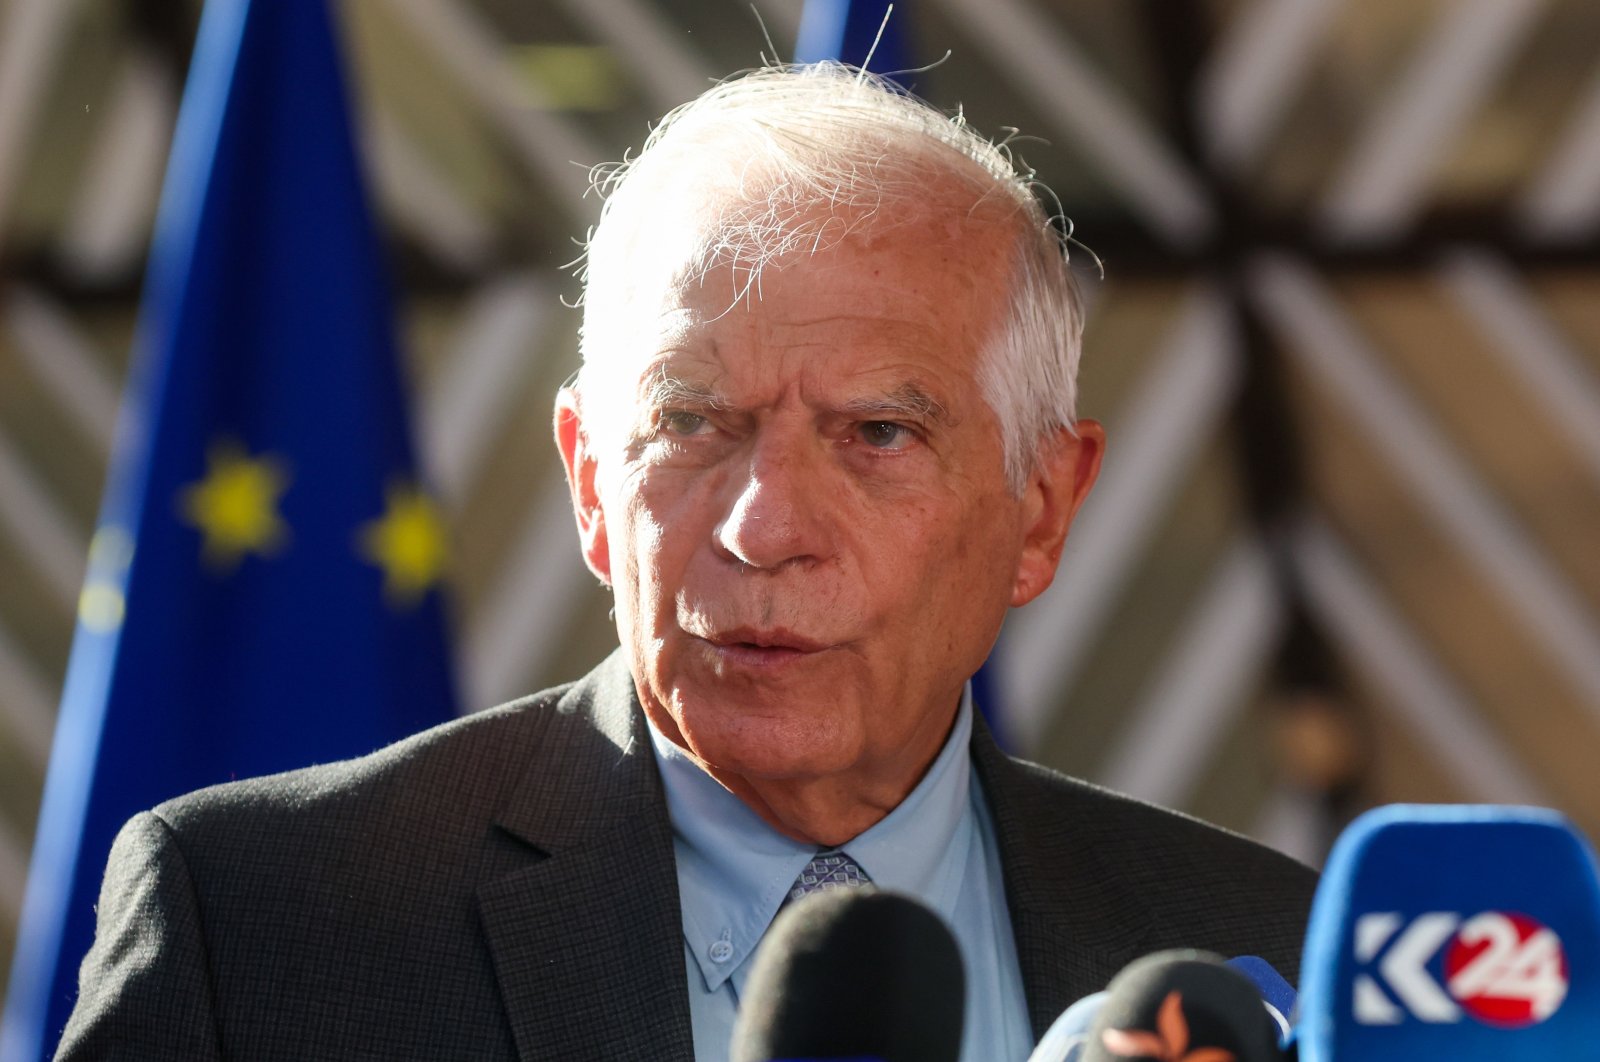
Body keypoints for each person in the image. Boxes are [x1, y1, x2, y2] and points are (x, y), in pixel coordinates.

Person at [58, 64, 1315, 1061]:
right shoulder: (261, 929)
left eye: (878, 433)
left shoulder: (1276, 954)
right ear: (591, 481)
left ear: (1040, 509)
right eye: (691, 424)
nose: (762, 526)